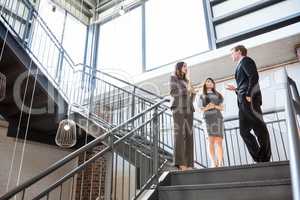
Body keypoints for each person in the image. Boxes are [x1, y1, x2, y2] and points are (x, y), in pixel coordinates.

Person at [226, 45, 271, 162]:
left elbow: (254, 76)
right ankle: (259, 157)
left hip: (248, 99)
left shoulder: (246, 61)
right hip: (242, 101)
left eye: (232, 53)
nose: (231, 55)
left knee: (259, 127)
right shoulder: (240, 64)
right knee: (243, 131)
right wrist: (236, 89)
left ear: (239, 52)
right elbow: (245, 82)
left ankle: (265, 157)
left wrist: (249, 94)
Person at [170, 61, 196, 170]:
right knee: (179, 134)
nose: (186, 68)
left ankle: (189, 164)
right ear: (179, 67)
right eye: (184, 66)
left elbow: (190, 98)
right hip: (178, 107)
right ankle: (181, 163)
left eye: (187, 66)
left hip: (189, 108)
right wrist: (187, 90)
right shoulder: (173, 78)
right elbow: (173, 92)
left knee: (189, 135)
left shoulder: (187, 80)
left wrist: (193, 93)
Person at [197, 78, 224, 167]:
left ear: (213, 84)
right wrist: (208, 107)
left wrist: (214, 106)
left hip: (217, 118)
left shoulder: (218, 95)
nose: (210, 83)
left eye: (211, 81)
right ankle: (213, 162)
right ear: (205, 83)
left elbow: (222, 108)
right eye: (208, 81)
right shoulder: (201, 95)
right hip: (207, 119)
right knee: (210, 141)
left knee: (219, 141)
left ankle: (220, 162)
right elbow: (200, 109)